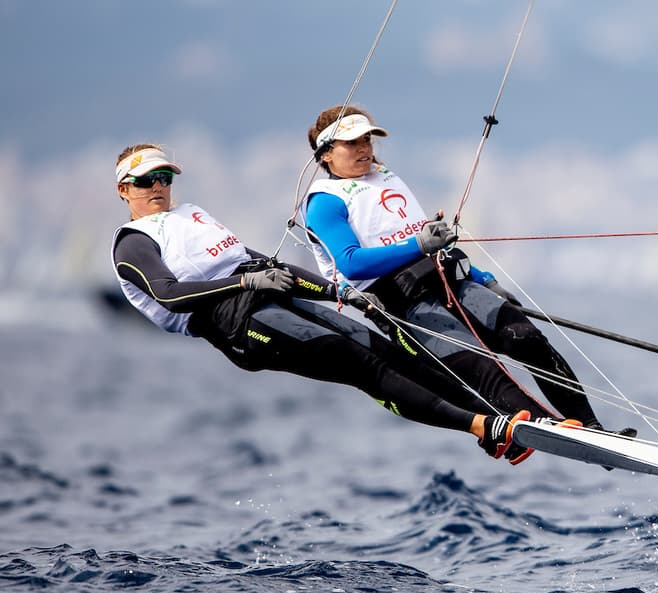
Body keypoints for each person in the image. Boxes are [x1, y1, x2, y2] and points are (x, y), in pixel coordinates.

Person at [111, 143, 576, 464]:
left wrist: (342, 294)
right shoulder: (132, 241)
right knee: (356, 361)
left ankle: (501, 429)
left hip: (264, 296)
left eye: (164, 176)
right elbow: (167, 295)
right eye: (145, 180)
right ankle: (482, 426)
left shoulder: (192, 214)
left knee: (386, 349)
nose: (157, 186)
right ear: (123, 190)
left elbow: (261, 262)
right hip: (230, 323)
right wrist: (247, 285)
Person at [301, 105, 605, 430]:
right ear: (326, 154)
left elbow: (433, 241)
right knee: (482, 367)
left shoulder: (384, 177)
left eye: (367, 140)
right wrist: (418, 245)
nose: (364, 148)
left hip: (451, 281)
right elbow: (351, 262)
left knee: (526, 337)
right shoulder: (324, 202)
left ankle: (592, 427)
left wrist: (485, 280)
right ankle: (553, 429)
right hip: (403, 304)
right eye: (352, 143)